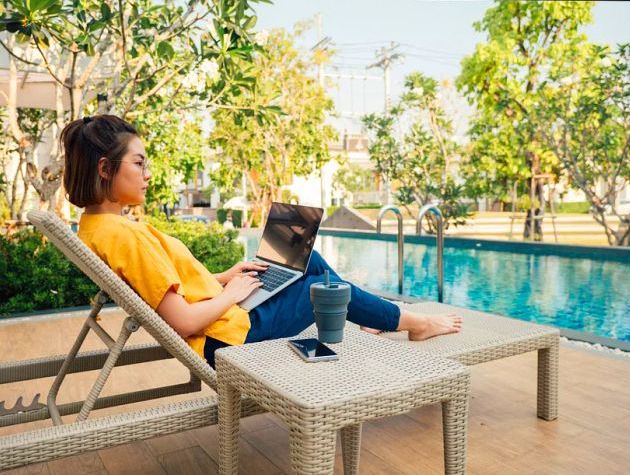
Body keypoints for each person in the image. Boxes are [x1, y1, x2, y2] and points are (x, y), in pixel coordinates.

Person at [62, 115, 463, 367]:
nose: (147, 173)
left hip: (225, 319)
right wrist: (232, 294)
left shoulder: (97, 227)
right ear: (104, 167)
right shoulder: (124, 236)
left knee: (309, 261)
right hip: (227, 336)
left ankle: (375, 315)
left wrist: (225, 277)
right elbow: (181, 321)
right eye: (139, 163)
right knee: (323, 287)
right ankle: (415, 322)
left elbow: (170, 291)